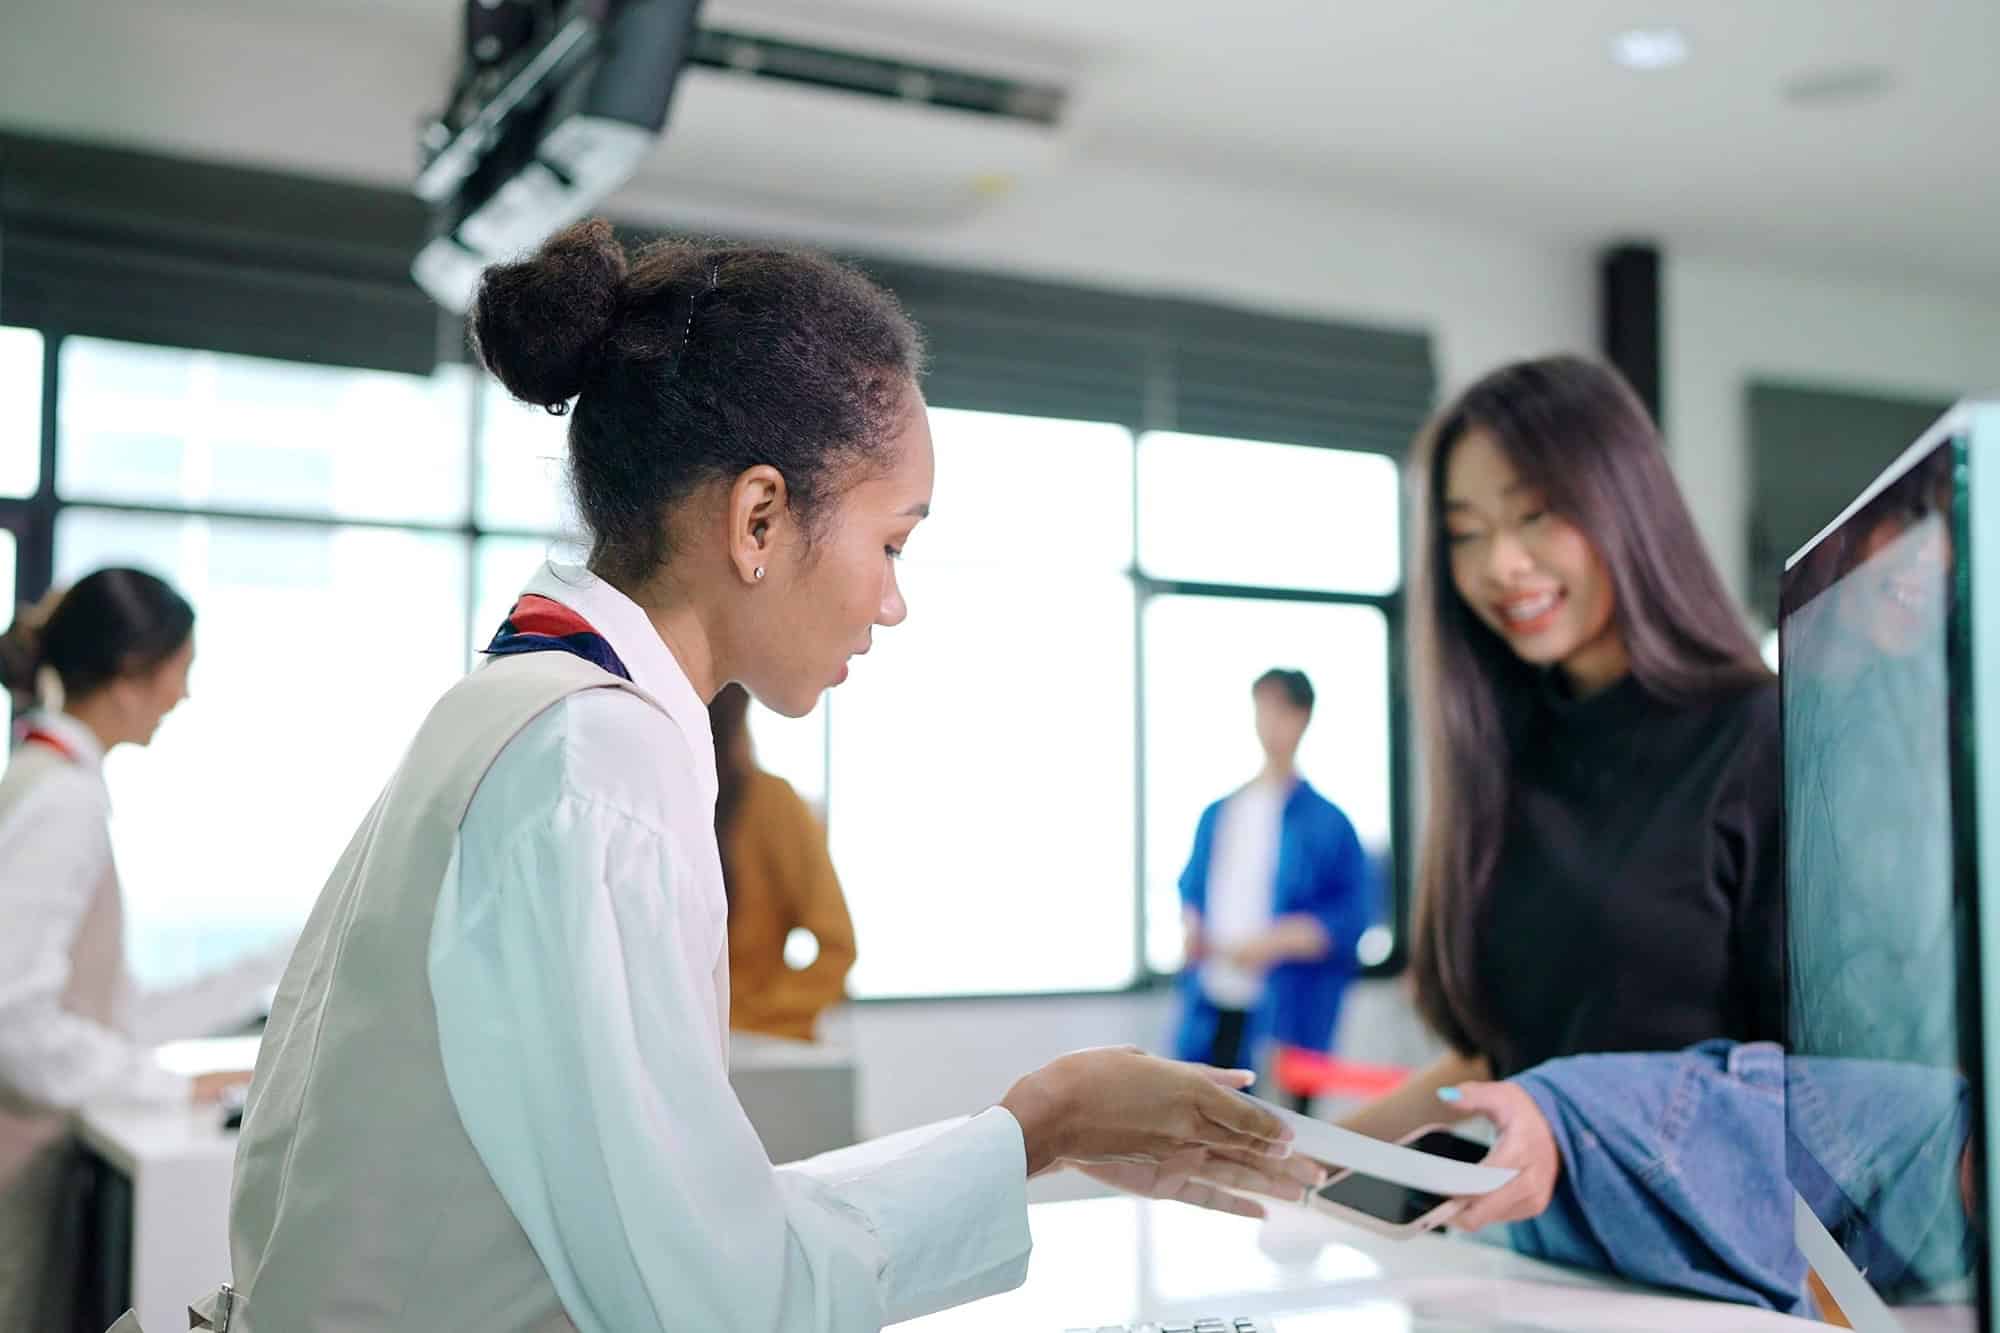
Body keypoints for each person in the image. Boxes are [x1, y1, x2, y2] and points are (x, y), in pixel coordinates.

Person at [226, 221, 1321, 1333]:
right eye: (891, 543)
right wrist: (1042, 1125)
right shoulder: (603, 764)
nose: (893, 601)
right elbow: (720, 1300)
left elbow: (699, 1235)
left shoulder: (528, 710)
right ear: (758, 519)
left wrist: (1034, 1136)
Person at [1338, 355, 1782, 1235]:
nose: (1501, 564)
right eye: (1465, 533)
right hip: (1546, 1258)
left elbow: (1823, 1082)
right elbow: (1505, 1056)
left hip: (1711, 1261)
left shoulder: (1762, 734)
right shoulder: (1506, 753)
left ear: (1625, 502)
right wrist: (1291, 1151)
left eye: (1535, 513)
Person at [0, 569, 266, 1327]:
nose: (183, 694)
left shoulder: (44, 776)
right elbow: (14, 1021)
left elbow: (106, 1007)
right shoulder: (64, 801)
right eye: (181, 669)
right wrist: (166, 1088)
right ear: (130, 673)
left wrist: (267, 968)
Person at [1171, 668, 1373, 1109]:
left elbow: (1351, 917)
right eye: (1262, 710)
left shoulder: (1328, 823)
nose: (1270, 723)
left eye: (1282, 711)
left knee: (1281, 1129)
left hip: (1287, 1015)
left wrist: (1278, 941)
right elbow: (1191, 889)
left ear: (1304, 718)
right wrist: (1192, 928)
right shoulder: (1220, 813)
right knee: (1206, 1118)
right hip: (1215, 1001)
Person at [709, 682, 858, 1041]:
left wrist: (759, 1022)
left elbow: (836, 945)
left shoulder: (770, 803)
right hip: (674, 1043)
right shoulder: (651, 802)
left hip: (753, 1046)